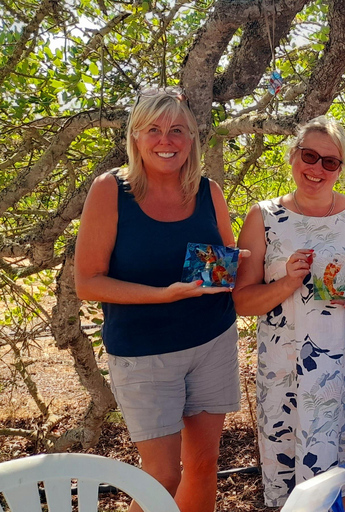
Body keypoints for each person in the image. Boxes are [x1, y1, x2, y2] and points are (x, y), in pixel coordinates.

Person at [74, 88, 241, 512]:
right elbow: (88, 283)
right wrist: (163, 295)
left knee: (204, 465)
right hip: (144, 352)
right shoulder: (110, 190)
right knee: (162, 477)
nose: (166, 141)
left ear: (191, 140)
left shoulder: (209, 191)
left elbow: (226, 266)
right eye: (154, 130)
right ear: (135, 137)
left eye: (177, 131)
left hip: (212, 342)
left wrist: (259, 266)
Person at [233, 116, 345, 512]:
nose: (316, 169)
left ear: (341, 167)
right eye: (309, 156)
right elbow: (242, 301)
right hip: (288, 371)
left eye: (329, 162)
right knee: (292, 481)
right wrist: (285, 282)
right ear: (293, 156)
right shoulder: (263, 217)